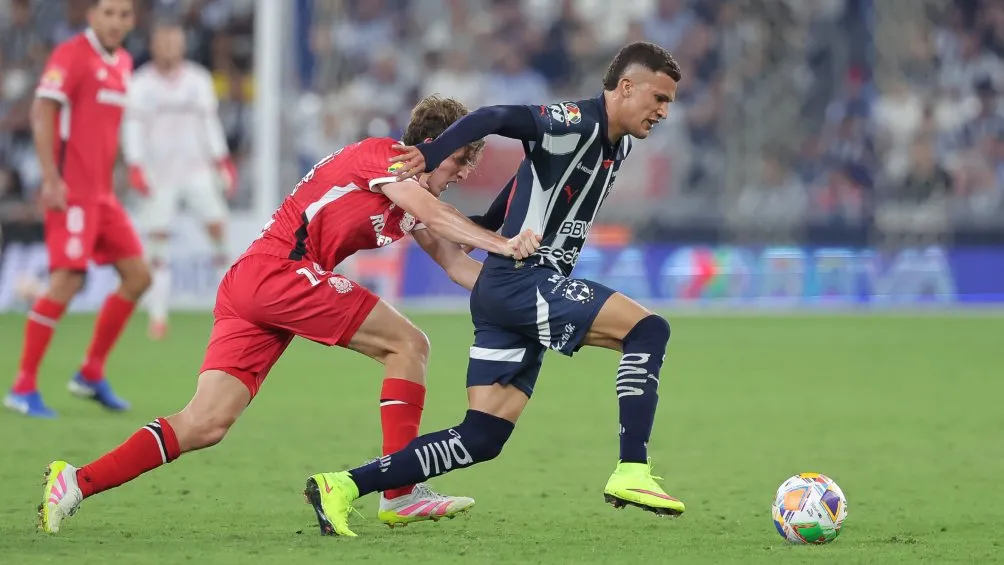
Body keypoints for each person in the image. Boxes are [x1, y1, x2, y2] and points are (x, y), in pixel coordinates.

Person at [37, 96, 542, 534]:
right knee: (408, 344)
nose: (462, 174)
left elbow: (457, 265)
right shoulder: (385, 155)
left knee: (205, 423)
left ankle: (76, 482)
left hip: (253, 283)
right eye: (458, 159)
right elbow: (436, 216)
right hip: (279, 272)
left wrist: (533, 296)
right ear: (429, 145)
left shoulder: (411, 199)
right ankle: (400, 491)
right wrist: (503, 243)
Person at [303, 42, 685, 536]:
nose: (663, 111)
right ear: (626, 87)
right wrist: (430, 154)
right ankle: (632, 468)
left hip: (506, 289)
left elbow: (531, 177)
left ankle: (342, 485)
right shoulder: (574, 122)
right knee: (648, 331)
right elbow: (494, 116)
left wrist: (483, 224)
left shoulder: (620, 145)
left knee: (482, 435)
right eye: (659, 98)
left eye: (669, 102)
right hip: (526, 280)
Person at [4, 0, 148, 419]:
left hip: (103, 195)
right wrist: (50, 178)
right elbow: (42, 110)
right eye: (109, 13)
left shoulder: (123, 62)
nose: (116, 22)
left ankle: (90, 372)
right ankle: (22, 386)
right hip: (72, 191)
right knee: (67, 281)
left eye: (124, 14)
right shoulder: (71, 54)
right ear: (92, 16)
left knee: (138, 276)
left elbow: (106, 129)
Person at [122, 20, 238, 340]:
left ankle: (232, 309)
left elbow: (210, 125)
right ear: (153, 45)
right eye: (164, 42)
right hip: (159, 174)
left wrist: (222, 161)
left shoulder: (198, 80)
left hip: (197, 170)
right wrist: (135, 165)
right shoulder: (141, 84)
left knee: (218, 232)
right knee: (157, 242)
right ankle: (158, 316)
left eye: (175, 42)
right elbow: (133, 129)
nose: (170, 48)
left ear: (183, 45)